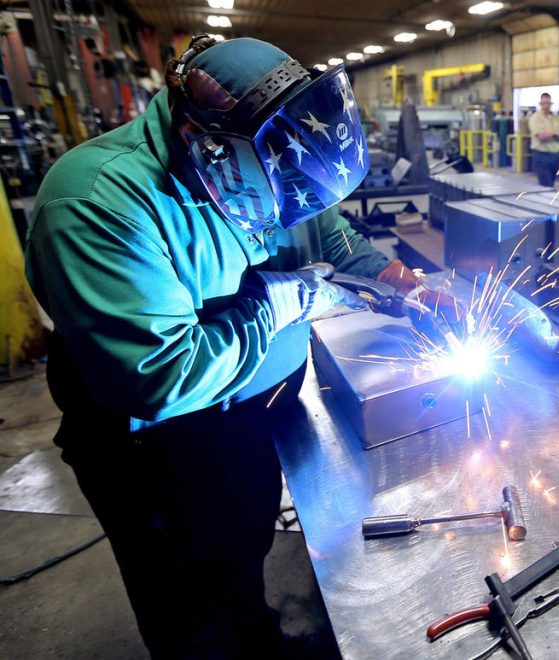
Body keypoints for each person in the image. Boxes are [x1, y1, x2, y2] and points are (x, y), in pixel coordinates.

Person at [24, 35, 455, 658]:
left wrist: (396, 282)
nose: (292, 211)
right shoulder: (97, 201)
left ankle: (259, 639)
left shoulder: (277, 153)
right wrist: (279, 305)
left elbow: (331, 241)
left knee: (244, 545)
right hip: (155, 452)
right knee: (188, 597)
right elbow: (161, 378)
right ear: (210, 147)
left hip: (251, 418)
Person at [527, 92, 559, 187]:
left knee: (551, 184)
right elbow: (541, 137)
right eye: (544, 103)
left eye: (548, 103)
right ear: (540, 104)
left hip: (555, 156)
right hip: (541, 156)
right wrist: (558, 134)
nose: (546, 105)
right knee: (546, 186)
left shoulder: (557, 118)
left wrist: (551, 133)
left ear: (551, 104)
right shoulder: (535, 118)